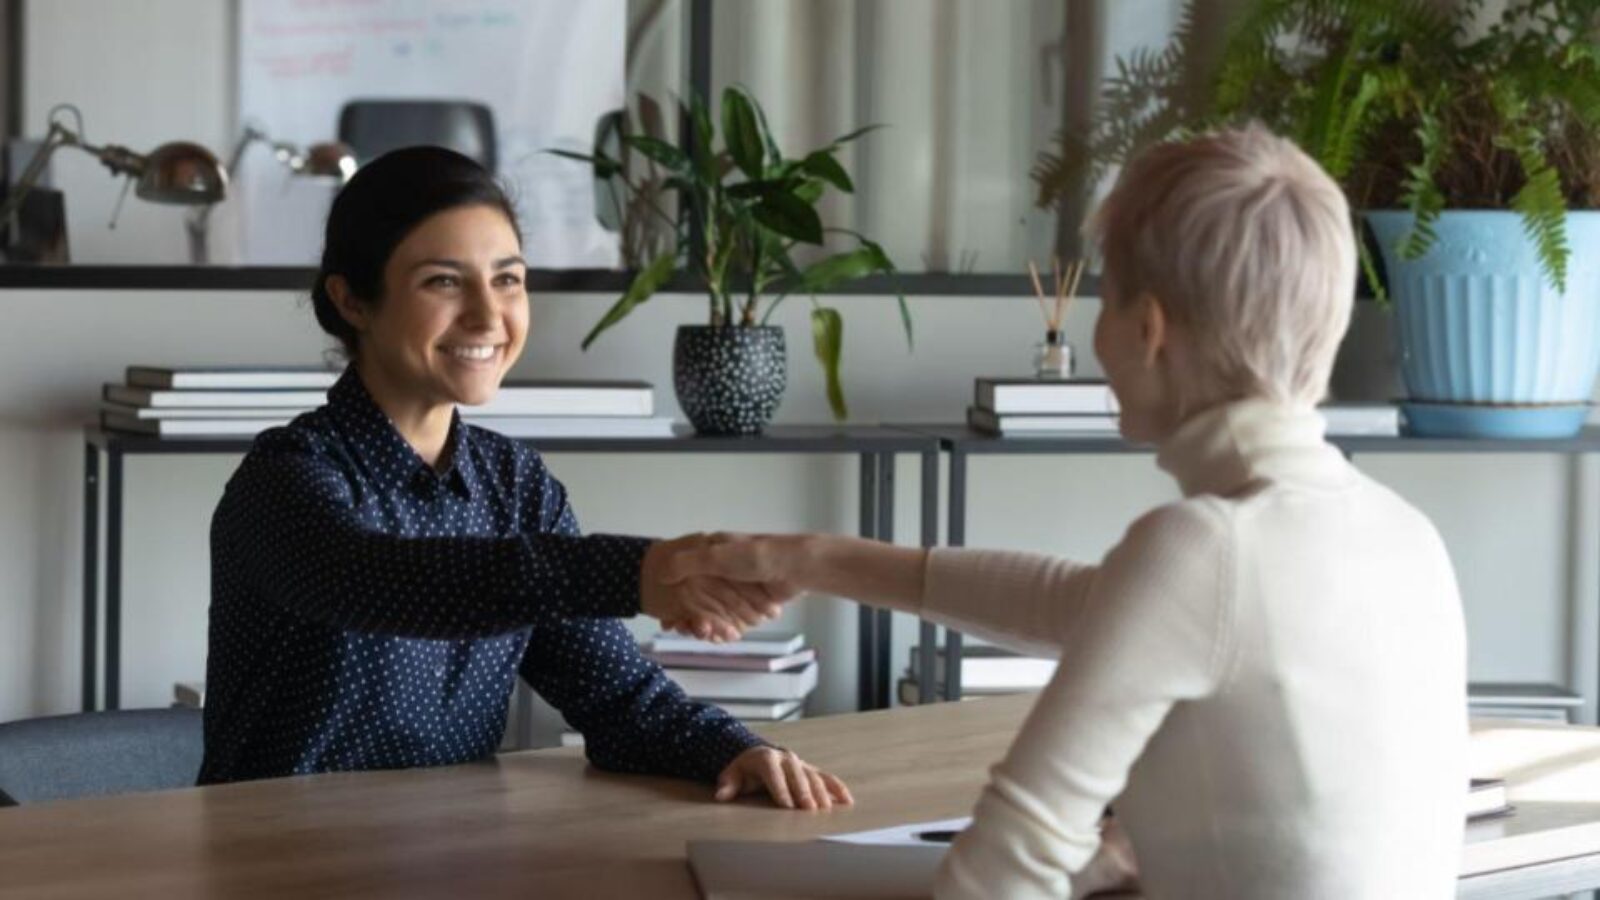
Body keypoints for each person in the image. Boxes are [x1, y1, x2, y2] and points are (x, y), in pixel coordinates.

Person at [663, 125, 1468, 897]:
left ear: (1149, 329)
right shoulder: (1404, 533)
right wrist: (807, 558)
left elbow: (998, 875)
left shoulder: (1205, 547)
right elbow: (1078, 603)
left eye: (1107, 299)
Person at [199, 146, 851, 812]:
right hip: (274, 864)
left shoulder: (516, 482)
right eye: (443, 282)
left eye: (507, 279)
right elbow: (377, 578)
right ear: (353, 301)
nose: (488, 316)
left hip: (453, 858)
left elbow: (615, 695)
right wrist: (637, 572)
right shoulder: (284, 478)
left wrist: (737, 750)